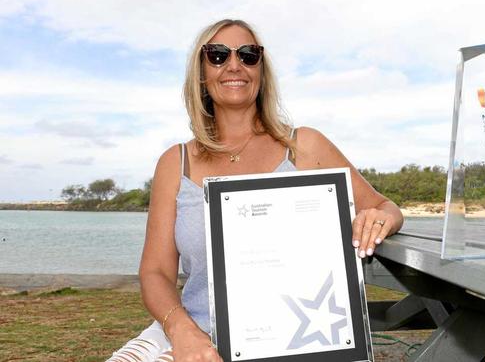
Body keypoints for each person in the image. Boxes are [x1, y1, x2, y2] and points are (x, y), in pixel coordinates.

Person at [108, 19, 403, 362]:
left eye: (248, 55)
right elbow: (155, 272)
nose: (234, 64)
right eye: (217, 55)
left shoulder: (304, 146)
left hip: (297, 341)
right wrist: (183, 330)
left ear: (261, 72)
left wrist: (380, 219)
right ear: (202, 74)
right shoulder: (176, 163)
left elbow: (386, 207)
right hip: (191, 333)